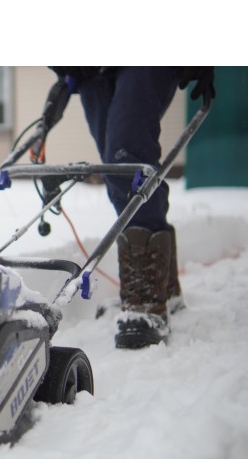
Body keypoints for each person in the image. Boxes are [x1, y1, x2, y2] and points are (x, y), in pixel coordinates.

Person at [51, 67, 215, 349]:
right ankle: (163, 288)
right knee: (117, 169)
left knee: (127, 155)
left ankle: (147, 300)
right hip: (89, 68)